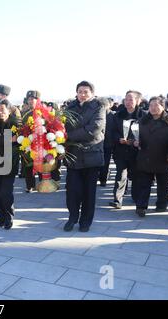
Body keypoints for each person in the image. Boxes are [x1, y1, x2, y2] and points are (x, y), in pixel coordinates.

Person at [64, 81, 106, 233]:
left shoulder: (99, 107)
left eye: (86, 91)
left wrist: (69, 136)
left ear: (92, 93)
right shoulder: (70, 107)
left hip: (91, 155)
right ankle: (72, 218)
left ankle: (85, 221)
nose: (82, 94)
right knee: (72, 191)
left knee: (89, 192)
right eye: (80, 91)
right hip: (73, 156)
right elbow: (63, 126)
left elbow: (94, 129)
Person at [134, 97, 168, 217]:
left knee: (163, 185)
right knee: (143, 184)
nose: (153, 108)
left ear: (163, 107)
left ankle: (161, 205)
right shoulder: (142, 121)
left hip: (163, 158)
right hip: (145, 157)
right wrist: (134, 142)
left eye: (156, 105)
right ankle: (141, 206)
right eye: (151, 105)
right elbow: (134, 136)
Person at [0, 99, 21, 230]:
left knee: (6, 192)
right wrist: (8, 139)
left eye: (2, 110)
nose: (0, 112)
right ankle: (1, 215)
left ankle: (9, 217)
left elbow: (19, 141)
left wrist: (10, 140)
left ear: (9, 110)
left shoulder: (16, 124)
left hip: (10, 162)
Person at [109, 91, 146, 209]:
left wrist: (137, 141)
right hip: (121, 150)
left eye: (131, 99)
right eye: (126, 99)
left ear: (138, 101)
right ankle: (117, 199)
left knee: (136, 175)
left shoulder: (144, 115)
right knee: (120, 174)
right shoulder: (118, 115)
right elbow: (112, 131)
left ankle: (136, 198)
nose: (128, 102)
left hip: (137, 151)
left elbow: (147, 132)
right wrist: (118, 139)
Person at [99, 97, 115, 187]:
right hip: (104, 143)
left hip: (106, 143)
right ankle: (102, 179)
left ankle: (102, 179)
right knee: (105, 162)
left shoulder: (113, 115)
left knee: (104, 162)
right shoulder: (112, 115)